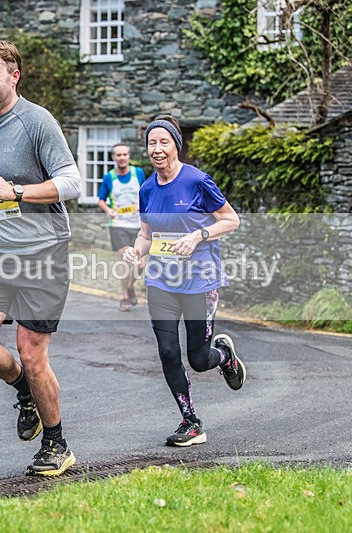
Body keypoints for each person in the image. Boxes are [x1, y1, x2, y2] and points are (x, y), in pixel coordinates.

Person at [0, 38, 82, 477]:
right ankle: (22, 388)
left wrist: (18, 192)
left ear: (14, 75)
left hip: (43, 253)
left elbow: (72, 183)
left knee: (32, 354)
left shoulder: (37, 122)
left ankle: (57, 443)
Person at [122, 114, 246, 447]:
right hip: (161, 280)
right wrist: (136, 251)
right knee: (166, 351)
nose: (157, 149)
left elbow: (230, 220)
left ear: (176, 145)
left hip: (199, 282)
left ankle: (224, 357)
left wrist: (198, 235)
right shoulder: (147, 188)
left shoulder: (197, 181)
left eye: (164, 142)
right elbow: (146, 233)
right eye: (152, 143)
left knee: (199, 359)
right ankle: (190, 421)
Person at [97, 143, 147, 311]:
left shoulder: (138, 173)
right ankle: (124, 296)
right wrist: (108, 210)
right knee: (126, 261)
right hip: (118, 225)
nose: (122, 157)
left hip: (138, 224)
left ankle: (130, 286)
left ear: (128, 156)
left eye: (125, 154)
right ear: (113, 158)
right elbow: (101, 200)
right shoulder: (108, 177)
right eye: (118, 155)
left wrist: (144, 206)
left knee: (140, 265)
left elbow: (146, 193)